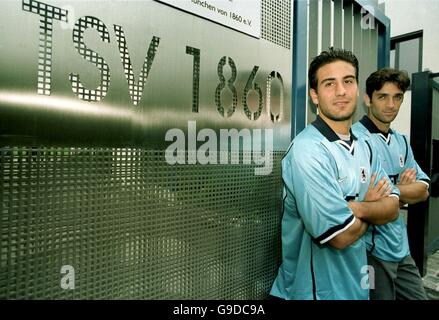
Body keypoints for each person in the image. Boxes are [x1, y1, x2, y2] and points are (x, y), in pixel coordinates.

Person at [269, 48, 400, 300]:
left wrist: (358, 208)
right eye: (330, 84)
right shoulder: (308, 151)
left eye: (348, 81)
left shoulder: (366, 145)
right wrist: (374, 206)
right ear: (314, 96)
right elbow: (340, 236)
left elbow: (393, 208)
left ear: (357, 89)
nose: (341, 91)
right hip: (311, 293)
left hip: (356, 289)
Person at [352, 68, 430, 300]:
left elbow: (424, 190)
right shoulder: (355, 140)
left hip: (401, 248)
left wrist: (391, 193)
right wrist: (406, 192)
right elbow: (364, 201)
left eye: (397, 97)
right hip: (371, 252)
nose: (391, 105)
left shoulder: (401, 141)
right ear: (368, 99)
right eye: (382, 97)